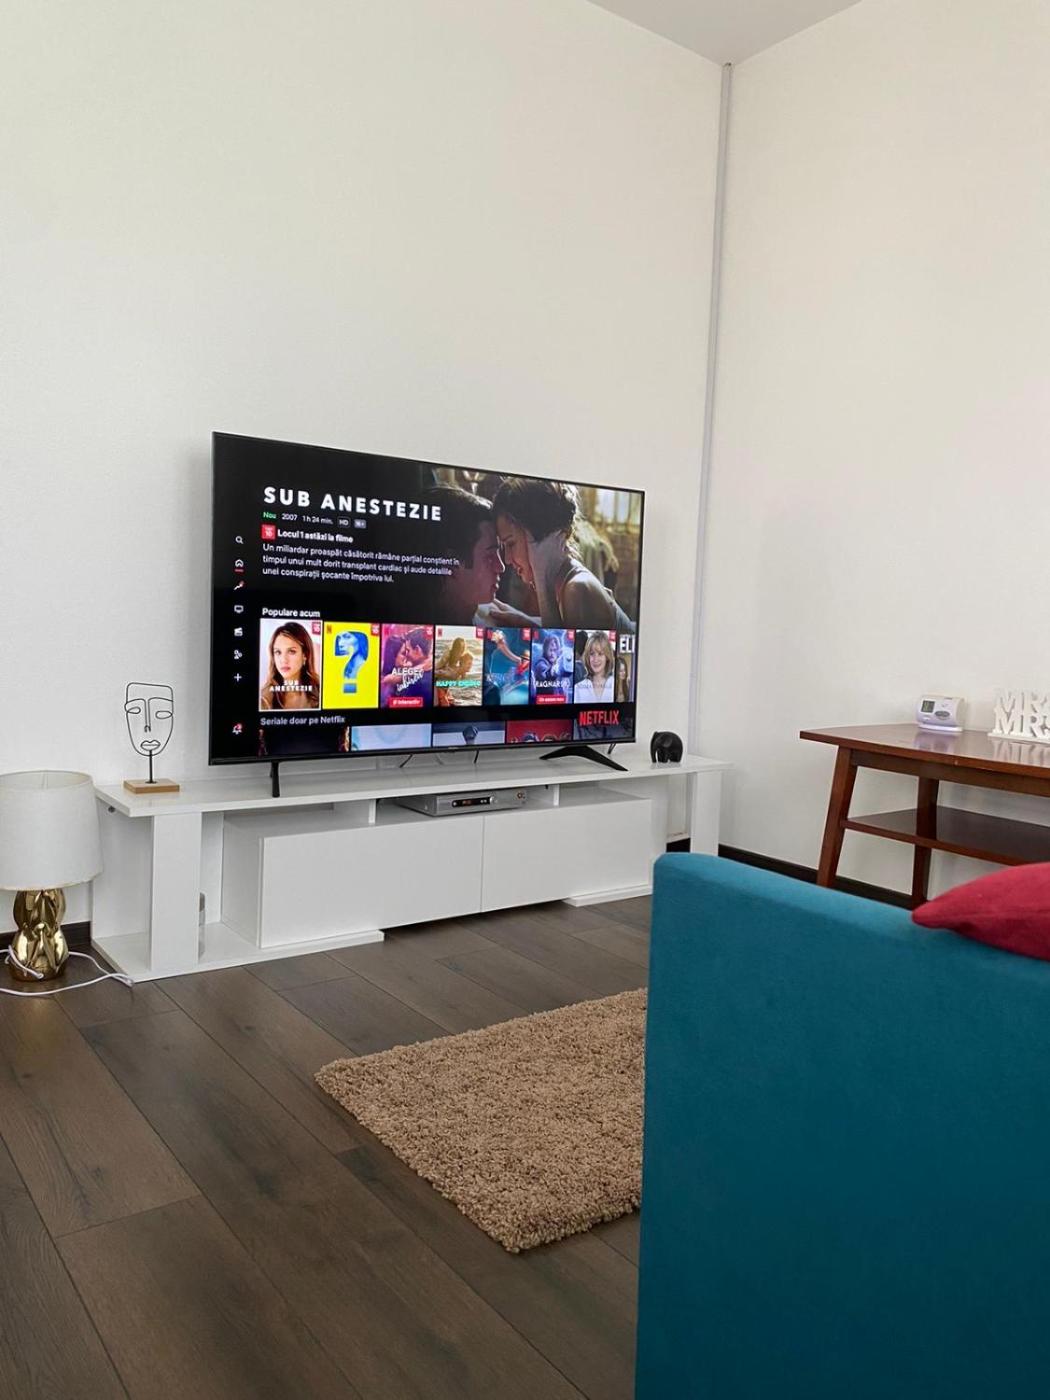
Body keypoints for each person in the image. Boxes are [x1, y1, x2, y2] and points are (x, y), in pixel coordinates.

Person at [492, 477, 635, 632]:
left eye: (511, 544)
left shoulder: (577, 590)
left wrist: (542, 579)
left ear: (540, 535)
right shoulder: (564, 583)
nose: (507, 559)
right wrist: (528, 622)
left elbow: (560, 647)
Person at [423, 487, 534, 627]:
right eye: (489, 556)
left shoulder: (504, 618)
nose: (501, 567)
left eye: (499, 552)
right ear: (450, 563)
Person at [260, 623, 320, 709]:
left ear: (305, 655)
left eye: (291, 651)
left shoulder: (320, 690)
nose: (283, 660)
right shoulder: (263, 699)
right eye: (278, 652)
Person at [574, 631, 615, 704]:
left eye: (600, 654)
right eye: (592, 654)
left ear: (607, 657)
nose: (595, 659)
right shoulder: (578, 688)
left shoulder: (615, 684)